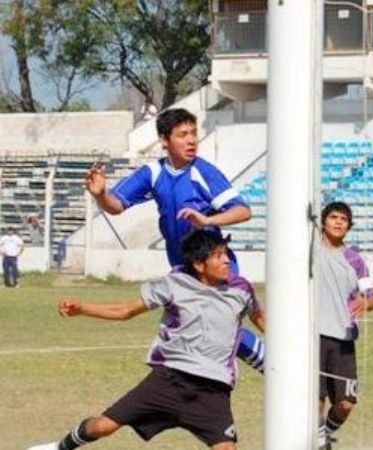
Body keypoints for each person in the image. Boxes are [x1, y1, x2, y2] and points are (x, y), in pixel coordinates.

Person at [27, 230, 265, 450]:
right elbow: (125, 311)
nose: (227, 261)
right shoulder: (174, 284)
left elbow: (261, 320)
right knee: (103, 427)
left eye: (226, 254)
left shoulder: (241, 289)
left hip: (213, 390)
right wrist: (82, 309)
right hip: (169, 379)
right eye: (219, 256)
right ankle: (60, 447)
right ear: (199, 264)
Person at [84, 107, 265, 373]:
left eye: (194, 133)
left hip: (214, 263)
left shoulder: (203, 172)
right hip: (182, 268)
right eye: (183, 135)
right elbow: (116, 206)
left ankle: (283, 364)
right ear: (164, 140)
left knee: (220, 323)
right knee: (204, 328)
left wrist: (207, 221)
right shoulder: (153, 173)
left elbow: (242, 211)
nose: (191, 140)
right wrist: (100, 195)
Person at [317, 202, 373, 449]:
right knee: (315, 398)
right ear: (323, 221)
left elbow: (372, 296)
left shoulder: (355, 260)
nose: (339, 222)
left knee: (345, 404)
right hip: (314, 336)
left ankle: (325, 435)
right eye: (334, 217)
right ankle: (320, 443)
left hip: (343, 339)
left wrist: (367, 302)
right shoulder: (309, 250)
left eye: (344, 219)